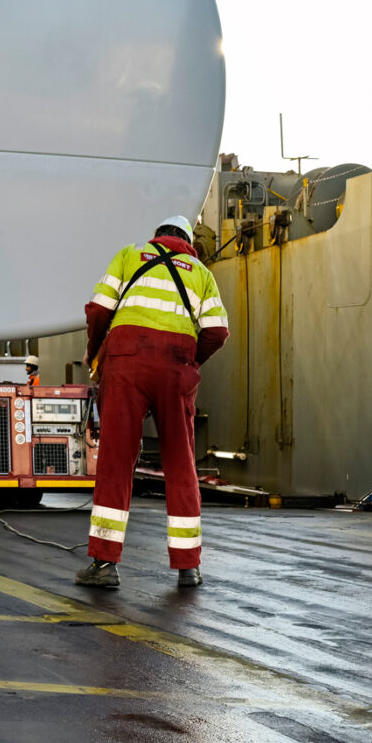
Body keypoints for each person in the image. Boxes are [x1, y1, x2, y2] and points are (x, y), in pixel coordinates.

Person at [76, 214, 228, 590]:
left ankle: (104, 564)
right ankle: (188, 567)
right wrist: (190, 360)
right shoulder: (201, 273)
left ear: (157, 236)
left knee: (116, 460)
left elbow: (98, 310)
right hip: (176, 367)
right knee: (180, 463)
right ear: (187, 242)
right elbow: (217, 331)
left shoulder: (130, 255)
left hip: (126, 362)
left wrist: (96, 352)